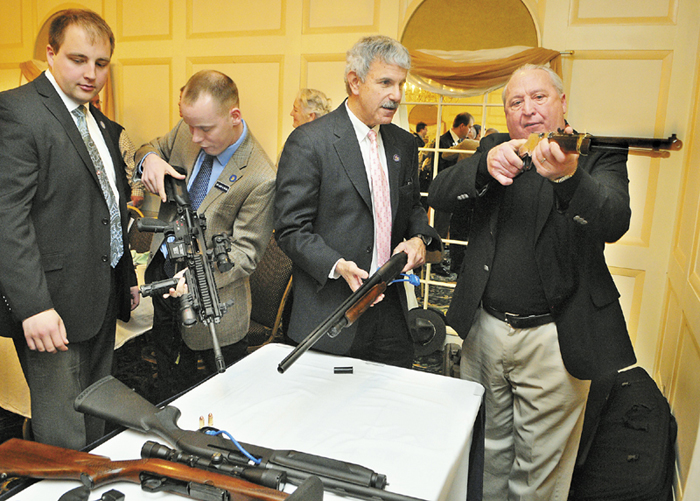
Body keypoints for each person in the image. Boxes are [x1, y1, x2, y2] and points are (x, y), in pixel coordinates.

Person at [427, 64, 636, 500]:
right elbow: (441, 194)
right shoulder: (494, 147)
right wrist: (483, 166)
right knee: (485, 455)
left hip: (556, 339)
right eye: (515, 102)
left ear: (562, 102)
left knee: (540, 473)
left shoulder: (598, 151)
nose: (528, 110)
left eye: (539, 97)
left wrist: (568, 176)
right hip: (484, 330)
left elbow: (614, 220)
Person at [0, 9, 139, 449]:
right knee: (62, 436)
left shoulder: (96, 120)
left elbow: (108, 207)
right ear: (50, 53)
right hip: (50, 307)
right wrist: (33, 307)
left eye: (101, 64)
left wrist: (126, 278)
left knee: (96, 417)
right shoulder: (18, 111)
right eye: (78, 59)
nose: (91, 73)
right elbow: (7, 217)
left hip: (100, 296)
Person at [275, 35, 441, 368]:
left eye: (400, 84)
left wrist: (419, 239)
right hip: (330, 311)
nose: (396, 95)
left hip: (390, 310)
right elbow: (290, 229)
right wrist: (337, 265)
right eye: (385, 83)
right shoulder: (309, 142)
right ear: (355, 81)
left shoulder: (403, 143)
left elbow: (412, 208)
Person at [136, 70, 276, 400]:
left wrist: (196, 278)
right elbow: (149, 147)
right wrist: (150, 159)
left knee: (216, 401)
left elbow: (245, 254)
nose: (195, 137)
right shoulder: (191, 131)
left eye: (205, 129)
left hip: (213, 307)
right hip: (164, 278)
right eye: (189, 125)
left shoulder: (261, 176)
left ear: (234, 116)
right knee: (169, 381)